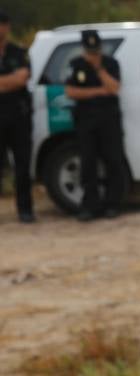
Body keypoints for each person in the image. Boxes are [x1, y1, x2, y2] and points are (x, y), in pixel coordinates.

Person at [63, 29, 126, 220]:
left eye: (96, 49)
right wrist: (98, 91)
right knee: (88, 162)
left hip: (109, 119)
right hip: (85, 120)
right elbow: (71, 92)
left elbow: (114, 89)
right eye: (90, 50)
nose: (93, 54)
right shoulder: (76, 65)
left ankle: (112, 204)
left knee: (113, 160)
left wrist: (99, 69)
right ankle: (90, 206)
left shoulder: (110, 64)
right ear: (84, 48)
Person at [0, 9, 34, 223]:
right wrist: (8, 82)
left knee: (22, 165)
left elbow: (22, 79)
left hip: (19, 118)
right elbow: (15, 80)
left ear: (7, 27)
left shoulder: (18, 52)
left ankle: (25, 210)